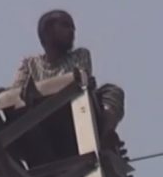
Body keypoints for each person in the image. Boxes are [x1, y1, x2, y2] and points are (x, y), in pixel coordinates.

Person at [8, 9, 125, 153]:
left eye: (72, 28)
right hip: (43, 124)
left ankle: (106, 136)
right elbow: (15, 94)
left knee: (112, 91)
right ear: (48, 31)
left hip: (74, 114)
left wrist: (36, 91)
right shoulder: (29, 64)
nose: (72, 31)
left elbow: (78, 82)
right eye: (65, 25)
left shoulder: (80, 54)